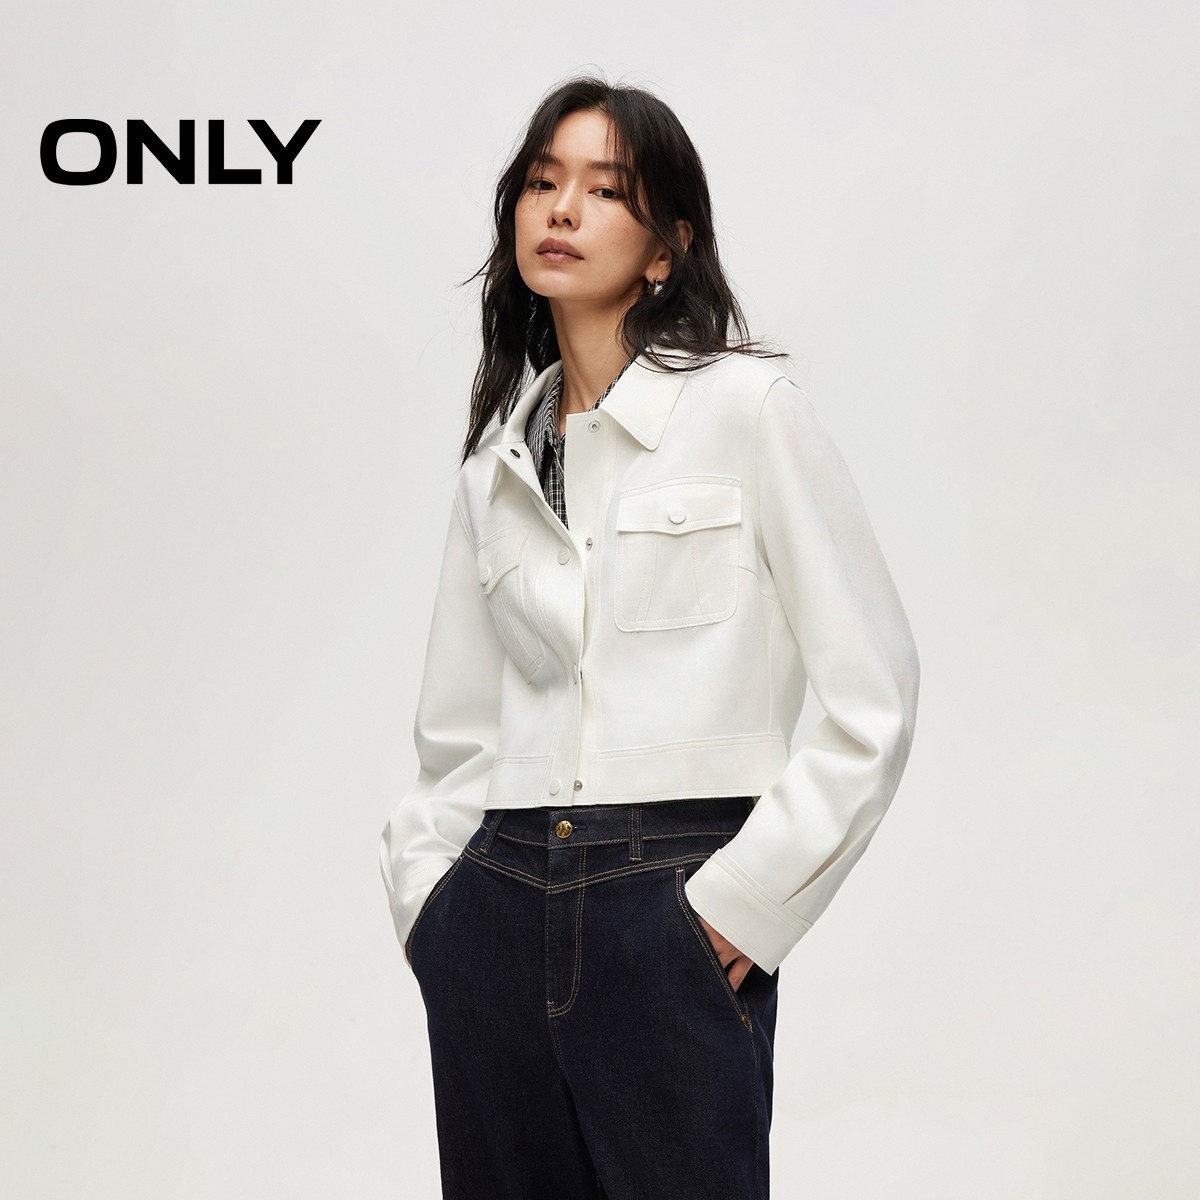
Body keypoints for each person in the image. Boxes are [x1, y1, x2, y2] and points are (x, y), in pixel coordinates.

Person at [378, 73, 921, 1200]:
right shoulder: (497, 465)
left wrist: (739, 909)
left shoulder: (746, 412)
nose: (562, 209)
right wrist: (435, 910)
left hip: (667, 902)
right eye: (543, 182)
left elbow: (873, 694)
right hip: (495, 910)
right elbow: (455, 733)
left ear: (667, 247)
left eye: (605, 189)